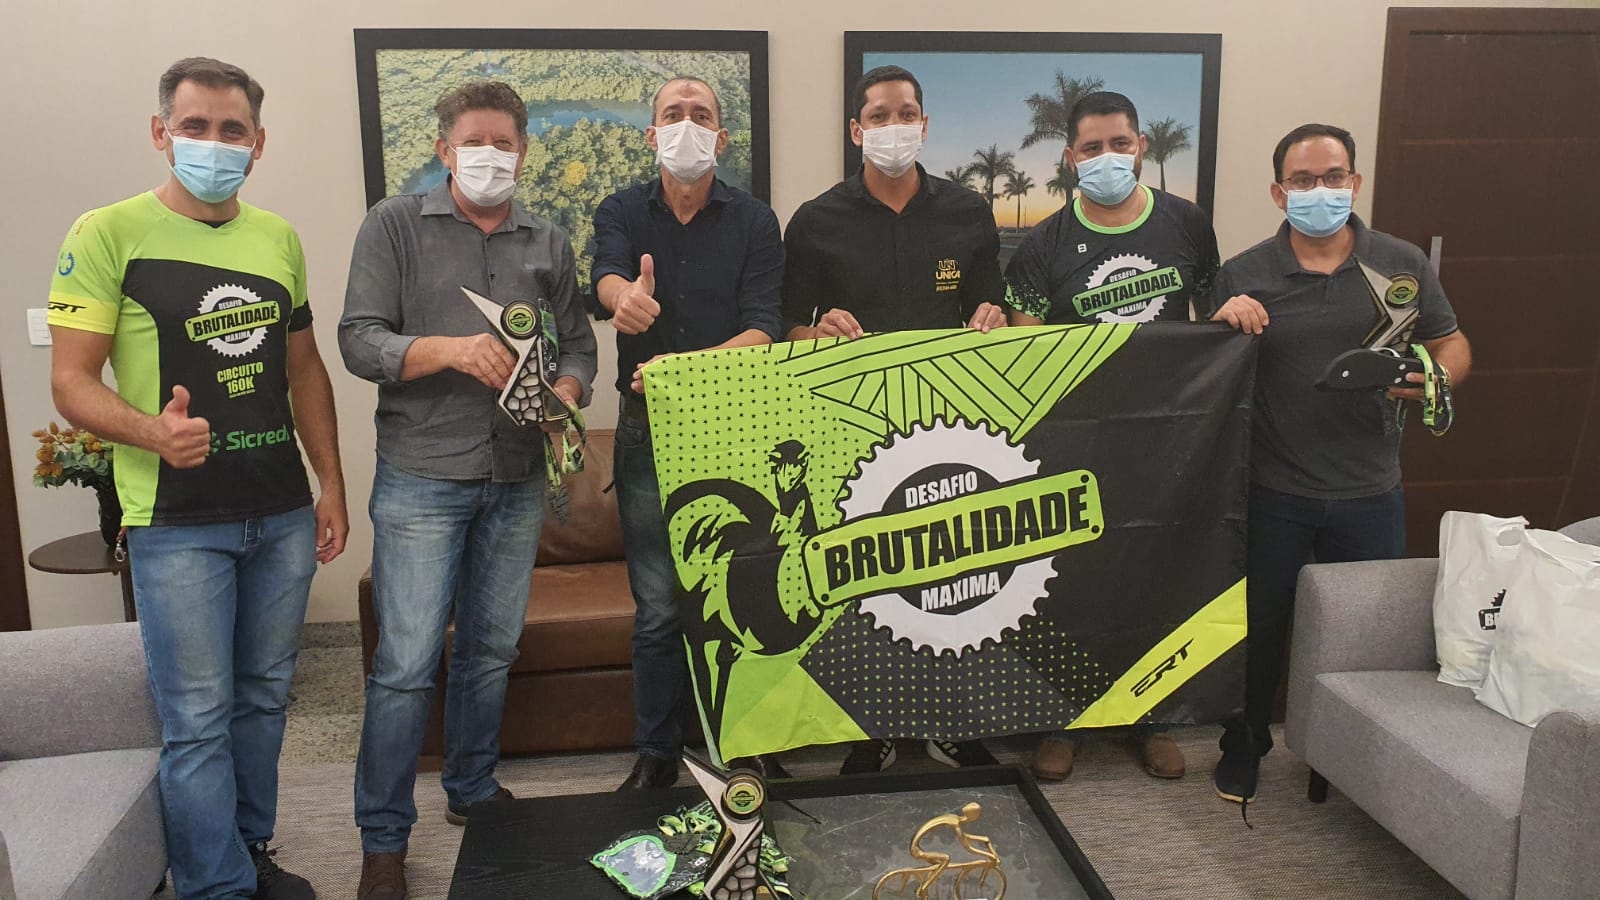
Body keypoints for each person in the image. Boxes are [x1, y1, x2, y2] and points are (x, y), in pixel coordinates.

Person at [47, 57, 345, 900]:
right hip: (176, 521)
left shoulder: (277, 238)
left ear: (258, 144)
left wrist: (330, 483)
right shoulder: (106, 233)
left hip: (280, 510)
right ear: (161, 133)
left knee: (264, 700)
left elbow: (304, 368)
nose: (214, 143)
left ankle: (247, 853)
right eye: (195, 127)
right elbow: (70, 382)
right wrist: (154, 433)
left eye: (231, 130)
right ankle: (214, 888)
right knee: (197, 720)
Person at [339, 80, 597, 898]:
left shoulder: (548, 241)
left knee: (491, 650)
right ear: (444, 149)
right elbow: (358, 340)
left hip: (516, 477)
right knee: (406, 663)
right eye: (474, 142)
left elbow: (579, 347)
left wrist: (567, 391)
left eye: (504, 143)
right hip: (422, 476)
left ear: (524, 150)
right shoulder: (393, 226)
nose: (491, 156)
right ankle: (384, 840)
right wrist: (449, 350)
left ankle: (473, 788)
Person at [1205, 123, 1471, 805]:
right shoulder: (1243, 273)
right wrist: (1221, 318)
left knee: (1364, 637)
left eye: (1332, 177)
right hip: (1273, 488)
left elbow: (1452, 344)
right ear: (1278, 192)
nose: (1319, 190)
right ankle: (1246, 744)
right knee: (1259, 628)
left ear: (1354, 182)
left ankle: (1344, 759)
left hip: (1370, 490)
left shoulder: (1403, 264)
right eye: (1302, 180)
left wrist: (1434, 378)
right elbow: (1208, 369)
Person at [781, 65, 1006, 775]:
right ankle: (870, 731)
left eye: (906, 113)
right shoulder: (815, 220)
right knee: (867, 582)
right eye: (878, 116)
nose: (893, 126)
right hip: (852, 431)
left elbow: (993, 309)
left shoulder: (967, 212)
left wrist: (991, 317)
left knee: (958, 575)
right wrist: (812, 332)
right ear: (857, 130)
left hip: (951, 428)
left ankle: (956, 724)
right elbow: (787, 327)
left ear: (925, 124)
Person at [1004, 91, 1220, 783]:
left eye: (1119, 144)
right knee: (1068, 580)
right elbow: (1025, 347)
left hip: (1168, 438)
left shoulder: (1187, 224)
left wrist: (1238, 316)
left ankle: (1151, 718)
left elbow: (1214, 315)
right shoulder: (1043, 243)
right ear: (1071, 158)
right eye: (1092, 148)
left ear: (1141, 148)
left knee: (1155, 574)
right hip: (1077, 440)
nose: (1107, 158)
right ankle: (1061, 722)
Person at [592, 76, 785, 790]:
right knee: (658, 608)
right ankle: (657, 752)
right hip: (647, 436)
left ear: (721, 137)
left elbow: (763, 327)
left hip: (737, 432)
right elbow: (608, 277)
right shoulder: (621, 209)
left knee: (745, 593)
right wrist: (624, 299)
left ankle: (747, 744)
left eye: (700, 115)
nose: (686, 125)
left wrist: (683, 372)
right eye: (672, 114)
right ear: (652, 135)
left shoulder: (755, 221)